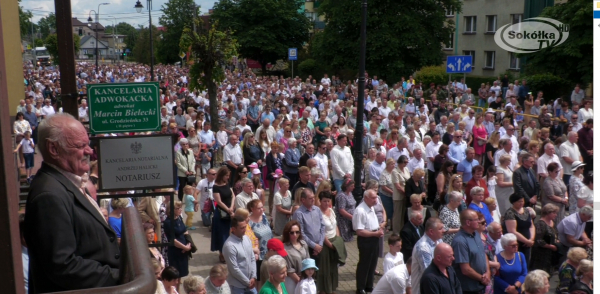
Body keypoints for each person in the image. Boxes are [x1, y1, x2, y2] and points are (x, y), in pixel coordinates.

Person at [24, 113, 120, 292]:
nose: (89, 151)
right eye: (80, 146)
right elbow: (63, 265)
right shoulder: (48, 196)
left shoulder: (69, 183)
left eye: (88, 144)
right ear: (54, 149)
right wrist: (119, 276)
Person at [451, 209, 491, 294]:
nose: (479, 222)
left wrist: (488, 272)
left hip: (482, 285)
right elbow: (465, 269)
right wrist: (482, 278)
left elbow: (483, 254)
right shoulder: (460, 241)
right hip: (470, 289)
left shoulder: (476, 234)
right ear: (468, 222)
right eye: (476, 219)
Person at [353, 189, 385, 294]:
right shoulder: (360, 211)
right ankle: (360, 288)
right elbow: (360, 231)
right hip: (366, 240)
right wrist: (374, 234)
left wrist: (379, 229)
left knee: (373, 264)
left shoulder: (371, 207)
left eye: (376, 197)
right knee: (364, 264)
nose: (376, 200)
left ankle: (369, 286)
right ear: (366, 198)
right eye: (373, 198)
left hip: (375, 238)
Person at [317, 191, 346, 294]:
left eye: (328, 201)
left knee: (333, 267)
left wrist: (337, 240)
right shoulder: (318, 213)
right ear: (320, 201)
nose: (326, 203)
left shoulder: (331, 210)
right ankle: (324, 290)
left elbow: (335, 226)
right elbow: (321, 232)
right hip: (325, 244)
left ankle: (332, 289)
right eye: (324, 201)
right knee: (325, 269)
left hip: (335, 242)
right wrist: (330, 245)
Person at [223, 215, 257, 294]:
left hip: (250, 284)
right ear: (233, 229)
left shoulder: (246, 239)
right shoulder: (229, 246)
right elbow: (234, 269)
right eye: (242, 228)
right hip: (237, 287)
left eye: (245, 227)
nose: (245, 230)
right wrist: (248, 282)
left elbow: (252, 258)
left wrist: (253, 276)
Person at [410, 217, 444, 294]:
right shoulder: (423, 247)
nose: (443, 231)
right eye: (440, 229)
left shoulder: (439, 240)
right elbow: (428, 273)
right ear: (431, 232)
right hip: (424, 289)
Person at [212, 166, 235, 264]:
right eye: (226, 175)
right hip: (221, 214)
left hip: (230, 211)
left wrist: (232, 207)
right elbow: (218, 201)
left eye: (228, 176)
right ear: (221, 175)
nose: (228, 177)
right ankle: (222, 253)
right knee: (222, 235)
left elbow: (233, 195)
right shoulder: (216, 186)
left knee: (229, 233)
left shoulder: (227, 183)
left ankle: (229, 252)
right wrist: (228, 210)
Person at [247, 199, 273, 283]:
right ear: (252, 209)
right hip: (258, 256)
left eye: (262, 207)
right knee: (259, 281)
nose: (262, 209)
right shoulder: (249, 222)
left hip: (269, 253)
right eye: (259, 208)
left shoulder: (264, 217)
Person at [530, 203, 559, 275]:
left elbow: (555, 234)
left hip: (550, 253)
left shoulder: (552, 222)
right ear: (547, 213)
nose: (556, 215)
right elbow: (538, 240)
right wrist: (550, 246)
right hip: (541, 253)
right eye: (554, 213)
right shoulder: (540, 224)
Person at [282, 220, 309, 294]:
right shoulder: (284, 248)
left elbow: (308, 261)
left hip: (305, 278)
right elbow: (289, 269)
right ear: (287, 233)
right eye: (292, 232)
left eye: (297, 232)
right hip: (291, 280)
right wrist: (299, 281)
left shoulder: (304, 244)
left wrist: (307, 278)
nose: (295, 235)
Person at [392, 155, 411, 233]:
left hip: (406, 195)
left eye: (407, 162)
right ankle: (396, 232)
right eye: (404, 162)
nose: (406, 164)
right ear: (400, 162)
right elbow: (398, 186)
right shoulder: (395, 171)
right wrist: (405, 193)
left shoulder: (406, 169)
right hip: (399, 196)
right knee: (398, 215)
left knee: (404, 214)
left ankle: (402, 231)